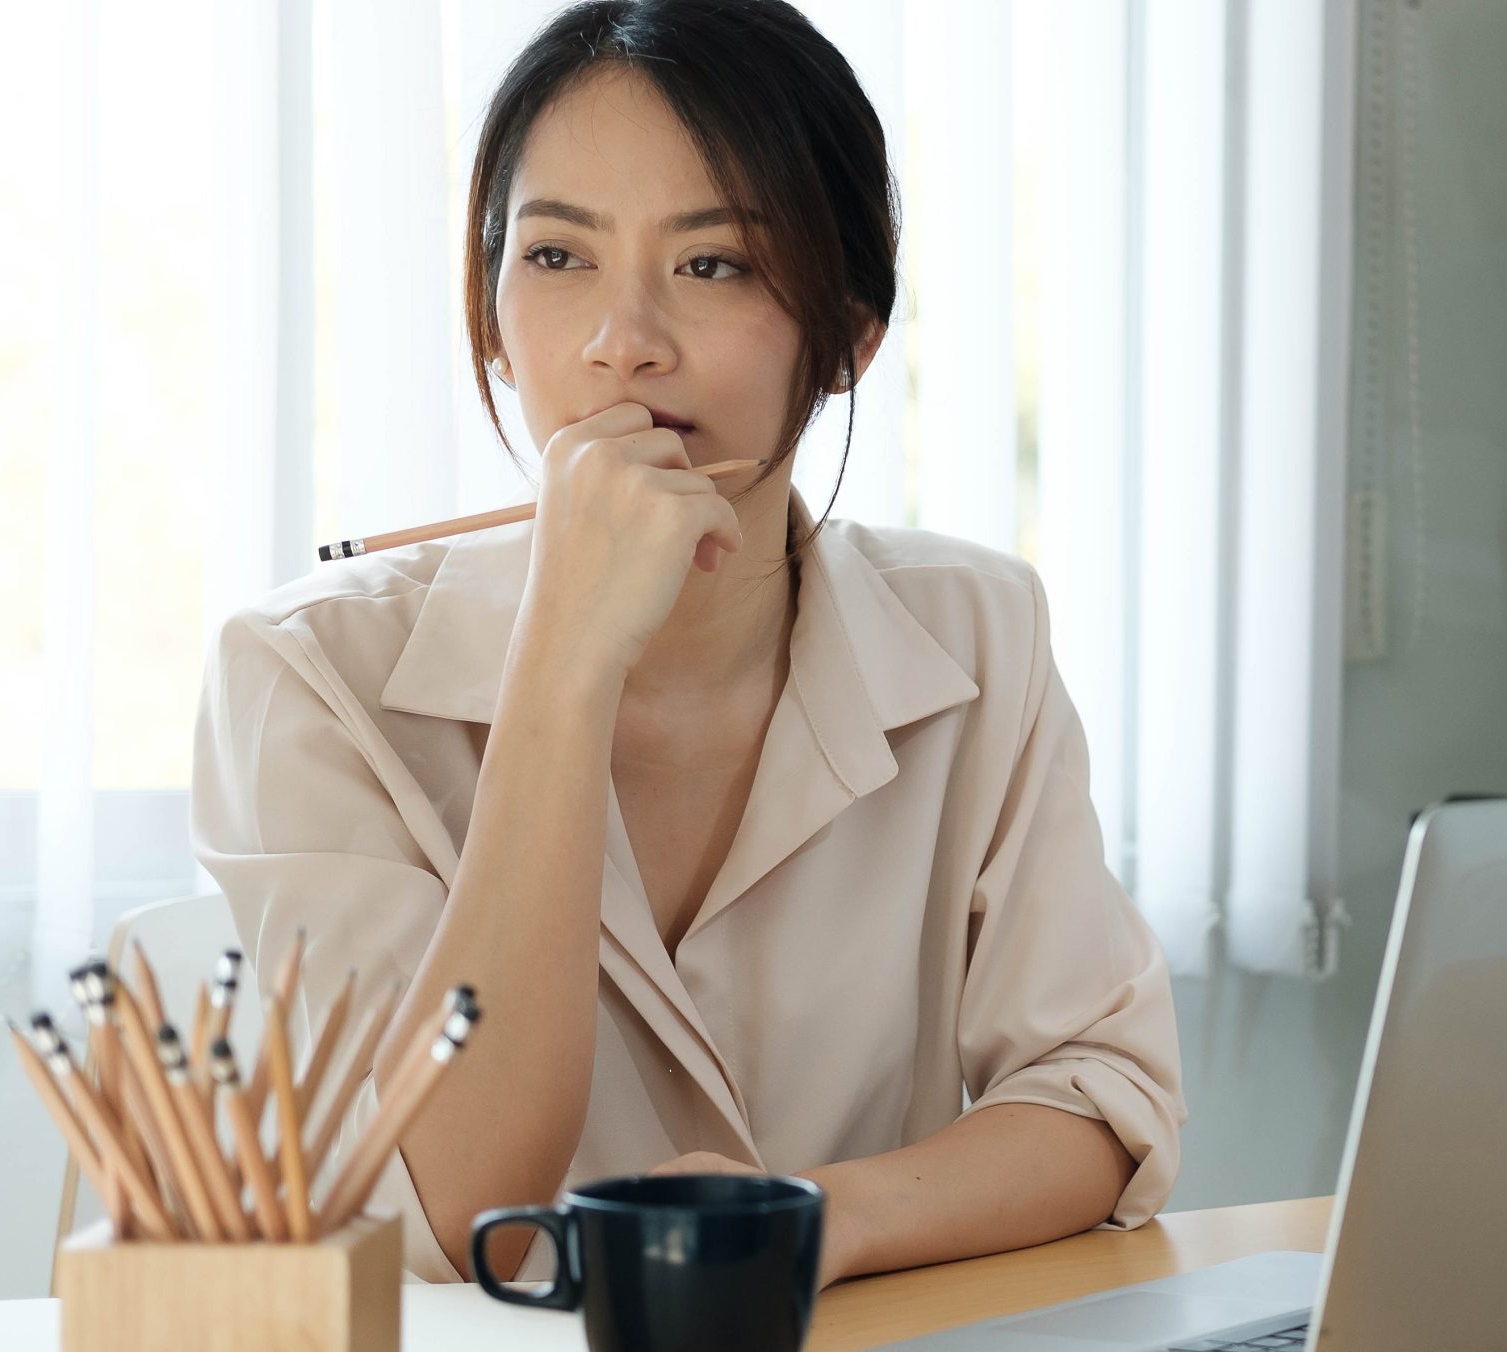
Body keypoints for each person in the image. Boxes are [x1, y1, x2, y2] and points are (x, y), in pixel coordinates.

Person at [190, 0, 1183, 1287]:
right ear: (489, 318)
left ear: (850, 334)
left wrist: (800, 1217)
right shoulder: (305, 675)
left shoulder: (977, 631)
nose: (622, 342)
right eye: (556, 258)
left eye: (712, 264)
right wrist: (563, 659)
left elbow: (1100, 1097)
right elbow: (452, 1206)